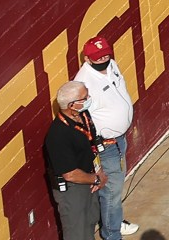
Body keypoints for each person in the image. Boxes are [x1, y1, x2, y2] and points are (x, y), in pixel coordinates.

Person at [75, 37, 137, 240]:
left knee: (115, 187)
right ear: (87, 59)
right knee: (111, 190)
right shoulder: (84, 83)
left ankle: (115, 222)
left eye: (106, 53)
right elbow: (80, 118)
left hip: (120, 139)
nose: (103, 57)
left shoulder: (112, 65)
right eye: (97, 56)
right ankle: (112, 234)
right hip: (107, 146)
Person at [44, 81, 104, 240]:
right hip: (73, 189)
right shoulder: (58, 135)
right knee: (77, 232)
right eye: (85, 97)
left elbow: (92, 144)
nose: (89, 98)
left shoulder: (83, 115)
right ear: (71, 105)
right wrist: (97, 179)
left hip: (89, 179)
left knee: (90, 221)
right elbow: (69, 174)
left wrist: (98, 171)